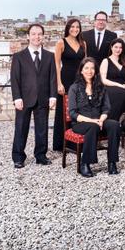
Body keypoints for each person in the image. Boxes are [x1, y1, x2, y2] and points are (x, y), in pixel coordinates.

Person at [10, 24, 57, 168]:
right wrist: (17, 97)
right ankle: (18, 157)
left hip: (43, 98)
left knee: (42, 128)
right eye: (34, 34)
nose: (37, 37)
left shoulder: (50, 56)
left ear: (43, 36)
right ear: (28, 36)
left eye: (39, 34)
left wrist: (53, 96)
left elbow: (52, 78)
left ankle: (41, 156)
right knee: (21, 127)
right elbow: (15, 78)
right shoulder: (19, 56)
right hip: (23, 99)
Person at [67, 57, 121, 177]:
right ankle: (85, 163)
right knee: (92, 127)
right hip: (81, 123)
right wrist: (92, 121)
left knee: (115, 125)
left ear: (95, 71)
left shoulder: (101, 87)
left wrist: (101, 119)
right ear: (81, 70)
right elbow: (72, 113)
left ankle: (112, 162)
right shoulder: (74, 88)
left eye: (92, 68)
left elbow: (106, 108)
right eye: (86, 68)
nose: (89, 71)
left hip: (99, 120)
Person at [53, 18, 85, 151]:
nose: (75, 29)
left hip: (80, 80)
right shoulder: (61, 42)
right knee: (64, 110)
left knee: (79, 108)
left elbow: (86, 64)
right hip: (66, 78)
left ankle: (77, 141)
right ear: (68, 28)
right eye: (72, 27)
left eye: (77, 27)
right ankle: (61, 143)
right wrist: (59, 83)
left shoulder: (83, 43)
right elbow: (56, 64)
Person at [99, 38, 125, 134]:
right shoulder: (106, 61)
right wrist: (119, 85)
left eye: (120, 47)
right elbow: (103, 80)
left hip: (124, 86)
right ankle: (113, 123)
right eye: (116, 47)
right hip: (109, 87)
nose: (118, 49)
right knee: (119, 93)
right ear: (112, 48)